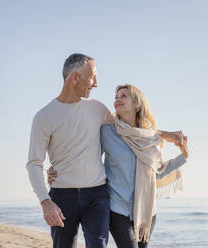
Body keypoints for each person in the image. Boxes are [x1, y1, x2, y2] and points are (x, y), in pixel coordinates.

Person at [26, 53, 186, 248]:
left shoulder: (98, 109)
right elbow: (34, 163)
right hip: (62, 196)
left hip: (97, 195)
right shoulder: (44, 117)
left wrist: (165, 134)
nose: (96, 83)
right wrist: (45, 201)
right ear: (76, 77)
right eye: (93, 76)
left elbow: (130, 130)